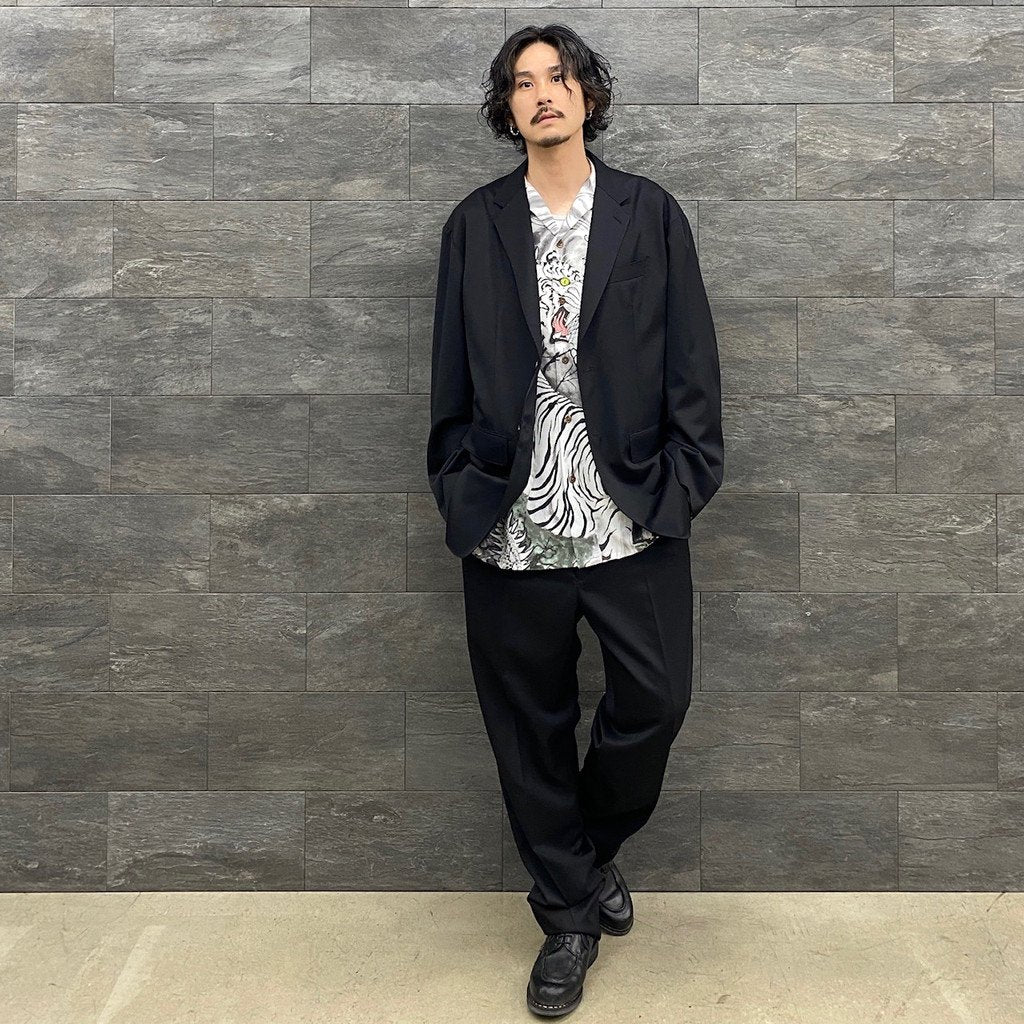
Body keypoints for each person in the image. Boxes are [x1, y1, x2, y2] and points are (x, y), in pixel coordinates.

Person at [426, 23, 724, 1018]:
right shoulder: (475, 225)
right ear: (507, 108)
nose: (542, 93)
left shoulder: (648, 213)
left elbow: (690, 357)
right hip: (508, 521)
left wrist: (684, 481)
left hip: (631, 514)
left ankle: (583, 856)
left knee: (656, 702)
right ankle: (566, 917)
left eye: (558, 76)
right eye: (523, 82)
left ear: (588, 95)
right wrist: (456, 481)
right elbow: (449, 371)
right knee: (528, 729)